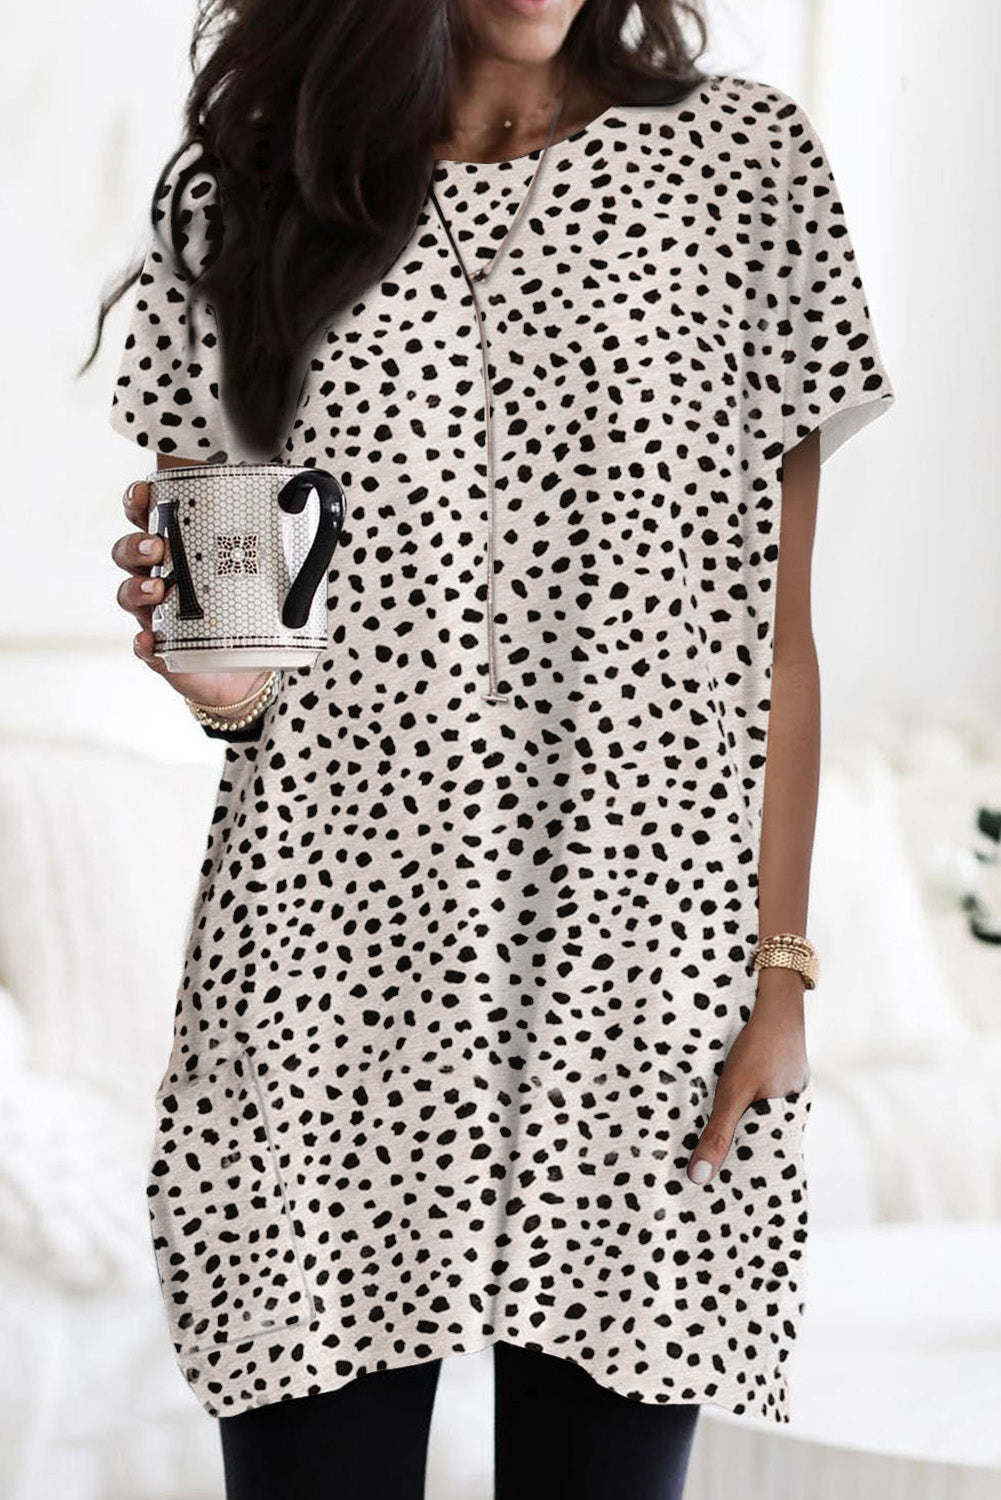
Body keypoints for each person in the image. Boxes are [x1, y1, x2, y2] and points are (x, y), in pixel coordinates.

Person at [94, 0, 895, 1494]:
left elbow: (772, 638)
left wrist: (779, 977)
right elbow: (242, 674)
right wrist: (202, 669)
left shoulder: (743, 164)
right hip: (327, 965)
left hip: (632, 966)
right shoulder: (245, 189)